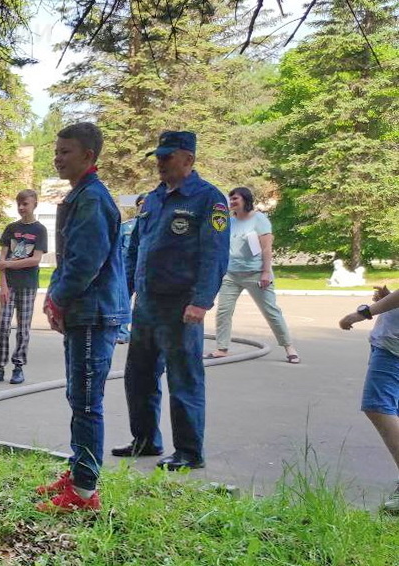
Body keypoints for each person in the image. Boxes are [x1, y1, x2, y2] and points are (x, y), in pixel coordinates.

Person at [116, 131, 229, 471]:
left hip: (181, 305)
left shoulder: (209, 200)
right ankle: (146, 439)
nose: (160, 163)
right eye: (158, 157)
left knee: (184, 378)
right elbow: (136, 247)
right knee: (139, 376)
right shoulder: (152, 199)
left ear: (188, 160)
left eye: (167, 157)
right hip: (148, 304)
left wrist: (201, 301)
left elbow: (215, 255)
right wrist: (125, 292)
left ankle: (189, 451)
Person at [35, 123, 128, 513]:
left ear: (89, 156)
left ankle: (85, 492)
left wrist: (58, 299)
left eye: (65, 151)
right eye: (56, 151)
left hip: (93, 313)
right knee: (79, 396)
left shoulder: (92, 200)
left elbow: (84, 263)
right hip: (84, 312)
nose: (57, 157)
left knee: (87, 400)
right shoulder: (81, 196)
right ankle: (78, 471)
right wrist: (56, 298)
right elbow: (69, 259)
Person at [207, 187, 299, 363]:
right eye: (230, 199)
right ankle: (222, 348)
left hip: (256, 273)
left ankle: (289, 348)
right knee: (224, 311)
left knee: (271, 311)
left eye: (235, 199)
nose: (232, 202)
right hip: (231, 274)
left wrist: (265, 272)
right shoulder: (228, 221)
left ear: (246, 200)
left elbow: (266, 248)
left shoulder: (259, 219)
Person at [338, 285, 399, 514]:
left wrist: (364, 312)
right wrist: (390, 298)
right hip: (390, 341)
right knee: (391, 409)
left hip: (394, 347)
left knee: (379, 407)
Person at [0, 189, 48, 386]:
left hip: (28, 285)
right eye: (19, 204)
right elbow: (2, 260)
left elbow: (36, 259)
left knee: (23, 328)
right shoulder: (11, 228)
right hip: (10, 285)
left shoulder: (40, 230)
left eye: (26, 204)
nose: (22, 208)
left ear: (34, 205)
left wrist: (9, 265)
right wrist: (3, 284)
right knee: (3, 326)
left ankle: (18, 366)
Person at [117, 193, 145, 344]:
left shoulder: (156, 226)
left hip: (146, 269)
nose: (143, 207)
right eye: (140, 204)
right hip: (127, 268)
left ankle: (139, 335)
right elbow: (118, 248)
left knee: (143, 302)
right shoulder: (126, 226)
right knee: (123, 300)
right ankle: (122, 332)